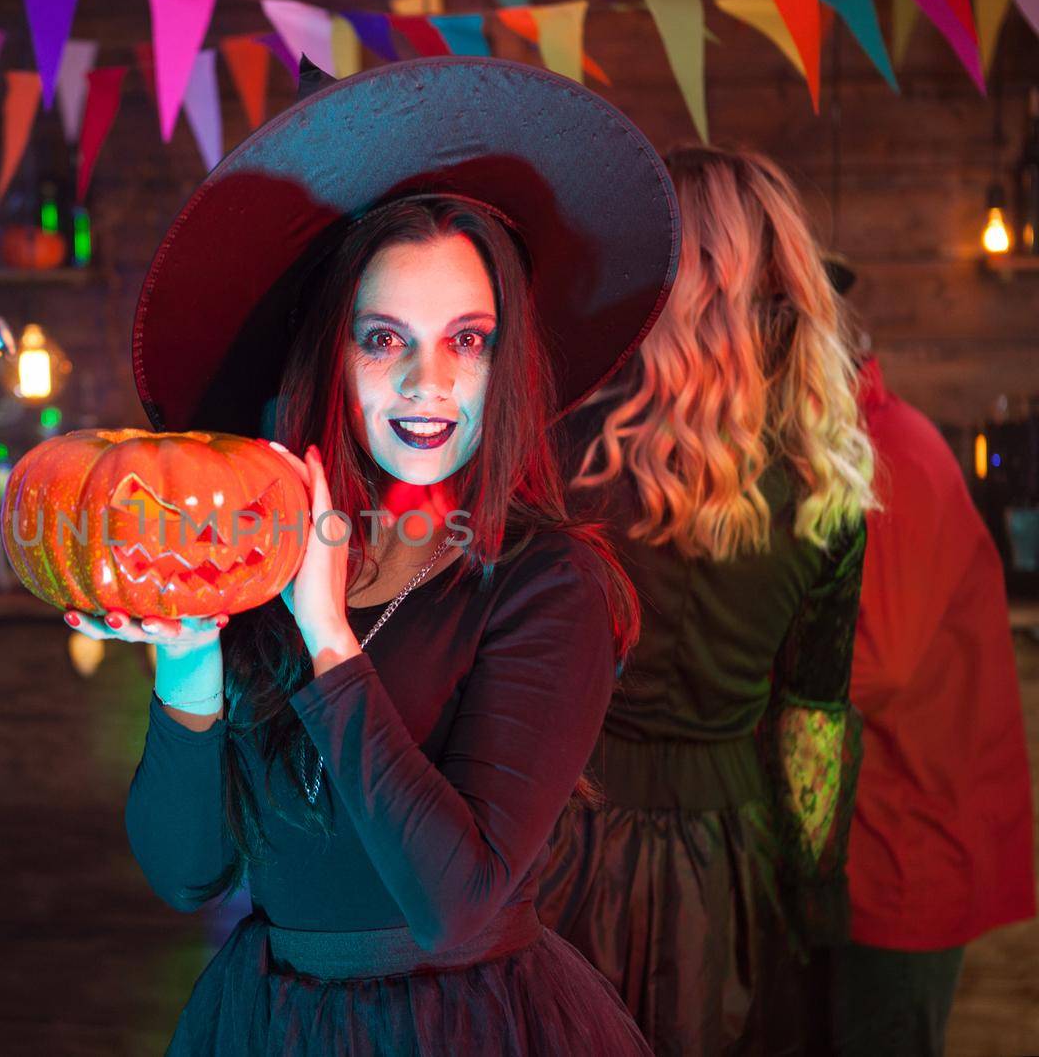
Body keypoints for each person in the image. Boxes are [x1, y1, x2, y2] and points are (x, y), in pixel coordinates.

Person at [65, 58, 680, 1053]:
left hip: (463, 1024)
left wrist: (326, 635)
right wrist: (184, 663)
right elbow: (188, 873)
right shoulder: (258, 553)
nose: (426, 381)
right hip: (274, 1018)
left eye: (466, 340)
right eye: (384, 338)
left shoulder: (545, 583)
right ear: (334, 354)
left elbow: (458, 902)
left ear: (505, 359)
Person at [536, 145, 876, 1056]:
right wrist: (815, 892)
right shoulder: (826, 488)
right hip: (731, 862)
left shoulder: (566, 455)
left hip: (565, 838)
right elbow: (813, 716)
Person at [833, 324, 1035, 1055]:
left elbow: (877, 660)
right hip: (886, 841)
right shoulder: (861, 445)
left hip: (905, 857)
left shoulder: (889, 454)